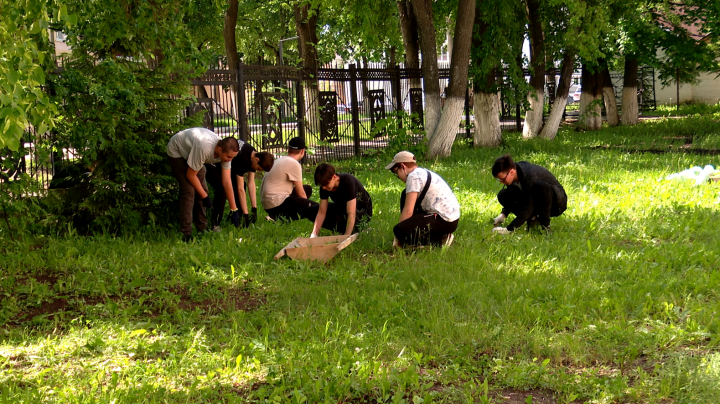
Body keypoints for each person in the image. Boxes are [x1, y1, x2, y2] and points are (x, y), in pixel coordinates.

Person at [166, 127, 241, 241]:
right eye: (229, 157)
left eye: (232, 158)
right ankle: (186, 233)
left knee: (202, 190)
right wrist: (205, 197)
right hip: (177, 151)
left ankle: (202, 229)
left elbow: (226, 181)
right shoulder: (204, 148)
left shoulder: (225, 153)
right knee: (189, 191)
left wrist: (233, 209)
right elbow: (190, 175)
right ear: (220, 149)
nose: (229, 160)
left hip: (193, 153)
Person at [386, 151, 460, 248]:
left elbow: (408, 210)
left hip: (443, 220)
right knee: (405, 194)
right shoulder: (421, 172)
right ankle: (417, 239)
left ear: (403, 166)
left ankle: (441, 239)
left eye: (395, 171)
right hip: (450, 219)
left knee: (399, 230)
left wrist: (399, 236)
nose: (397, 176)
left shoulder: (413, 177)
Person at [204, 140, 274, 229]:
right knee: (222, 189)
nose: (257, 170)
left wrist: (254, 208)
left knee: (242, 187)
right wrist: (246, 214)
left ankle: (237, 216)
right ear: (257, 160)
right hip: (215, 163)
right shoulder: (243, 158)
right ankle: (216, 222)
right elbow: (240, 188)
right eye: (259, 168)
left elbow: (251, 183)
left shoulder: (253, 153)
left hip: (229, 167)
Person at [490, 154, 567, 234]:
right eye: (499, 180)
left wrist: (509, 229)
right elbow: (514, 195)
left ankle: (545, 227)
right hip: (536, 200)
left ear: (511, 172)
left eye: (502, 179)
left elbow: (530, 205)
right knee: (503, 195)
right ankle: (533, 220)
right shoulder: (514, 174)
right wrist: (503, 214)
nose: (502, 182)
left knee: (541, 186)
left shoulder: (529, 175)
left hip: (557, 204)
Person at [260, 137, 318, 221]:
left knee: (307, 189)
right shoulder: (294, 164)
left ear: (288, 149)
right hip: (277, 203)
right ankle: (278, 217)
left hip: (267, 204)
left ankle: (274, 217)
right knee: (315, 208)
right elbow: (300, 192)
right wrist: (306, 205)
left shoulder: (279, 160)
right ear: (302, 151)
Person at [307, 163, 372, 237]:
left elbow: (351, 213)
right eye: (321, 185)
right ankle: (346, 229)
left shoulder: (348, 182)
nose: (323, 188)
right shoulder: (324, 187)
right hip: (343, 209)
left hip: (361, 212)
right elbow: (322, 211)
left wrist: (346, 237)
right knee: (310, 211)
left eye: (326, 184)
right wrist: (314, 234)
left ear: (334, 177)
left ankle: (357, 228)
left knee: (337, 219)